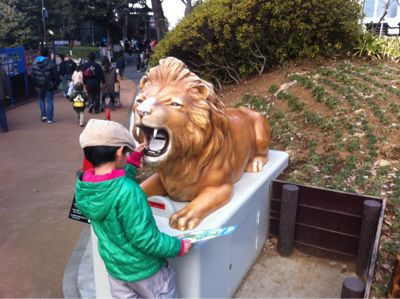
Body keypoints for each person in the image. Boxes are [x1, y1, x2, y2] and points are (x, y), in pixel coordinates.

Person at [75, 119, 192, 298]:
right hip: (146, 271)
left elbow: (115, 185)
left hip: (116, 270)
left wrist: (134, 160)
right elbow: (145, 239)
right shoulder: (130, 192)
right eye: (127, 152)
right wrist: (178, 246)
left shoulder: (85, 187)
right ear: (120, 152)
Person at [31, 47, 60, 124]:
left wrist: (35, 84)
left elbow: (32, 75)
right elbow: (55, 75)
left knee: (41, 99)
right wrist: (56, 83)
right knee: (50, 101)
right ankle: (50, 119)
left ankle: (43, 116)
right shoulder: (50, 63)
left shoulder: (34, 63)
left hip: (39, 85)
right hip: (49, 84)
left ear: (40, 53)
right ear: (47, 54)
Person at [0, 67, 9, 132]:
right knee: (2, 111)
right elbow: (5, 84)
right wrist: (6, 94)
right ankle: (4, 127)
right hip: (1, 94)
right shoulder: (2, 70)